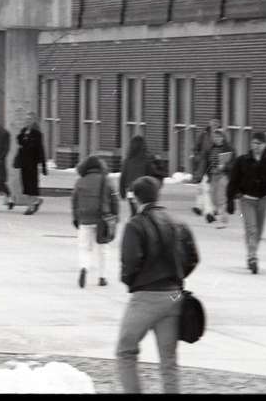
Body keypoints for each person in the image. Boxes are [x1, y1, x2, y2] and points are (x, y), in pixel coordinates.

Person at [116, 176, 199, 394]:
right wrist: (178, 276)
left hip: (147, 296)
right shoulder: (176, 222)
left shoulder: (136, 224)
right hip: (174, 296)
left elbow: (130, 261)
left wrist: (132, 282)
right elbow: (193, 257)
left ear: (135, 197)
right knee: (168, 359)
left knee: (126, 350)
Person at [226, 132, 266, 274]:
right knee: (251, 228)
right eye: (254, 143)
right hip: (247, 199)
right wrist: (230, 200)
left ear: (265, 145)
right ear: (251, 144)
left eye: (260, 144)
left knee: (258, 230)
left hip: (263, 199)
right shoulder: (242, 160)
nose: (256, 146)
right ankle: (252, 257)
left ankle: (252, 252)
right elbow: (233, 181)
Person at [71, 155, 119, 288]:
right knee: (103, 248)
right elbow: (114, 200)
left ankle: (84, 268)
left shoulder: (80, 181)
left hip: (84, 218)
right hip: (102, 219)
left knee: (84, 247)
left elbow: (74, 201)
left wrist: (75, 217)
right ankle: (102, 277)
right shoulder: (107, 180)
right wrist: (115, 216)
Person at [120, 135, 168, 217]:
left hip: (131, 191)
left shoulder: (127, 160)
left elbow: (123, 177)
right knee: (145, 213)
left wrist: (122, 192)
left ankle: (134, 226)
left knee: (134, 213)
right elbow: (150, 174)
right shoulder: (147, 159)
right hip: (144, 190)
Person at [15, 112, 47, 215]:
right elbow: (20, 143)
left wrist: (43, 165)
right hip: (24, 163)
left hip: (32, 163)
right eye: (26, 119)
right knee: (25, 184)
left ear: (34, 121)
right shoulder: (23, 132)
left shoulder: (37, 134)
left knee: (32, 184)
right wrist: (22, 135)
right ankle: (36, 201)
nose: (27, 121)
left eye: (29, 119)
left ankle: (30, 206)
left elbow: (40, 149)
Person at [202, 129, 233, 227]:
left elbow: (234, 164)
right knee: (213, 198)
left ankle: (222, 220)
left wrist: (225, 166)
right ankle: (222, 215)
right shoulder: (211, 149)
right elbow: (206, 163)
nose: (217, 139)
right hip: (213, 175)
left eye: (219, 137)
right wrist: (204, 174)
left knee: (220, 198)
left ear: (223, 137)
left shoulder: (228, 149)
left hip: (223, 175)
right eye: (215, 137)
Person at [191, 118, 222, 217]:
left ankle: (206, 208)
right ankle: (202, 208)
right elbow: (196, 148)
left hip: (215, 164)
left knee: (210, 187)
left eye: (217, 122)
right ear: (209, 122)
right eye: (213, 121)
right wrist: (197, 157)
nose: (214, 123)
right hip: (203, 164)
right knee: (203, 186)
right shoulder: (204, 134)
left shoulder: (222, 134)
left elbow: (226, 148)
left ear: (219, 123)